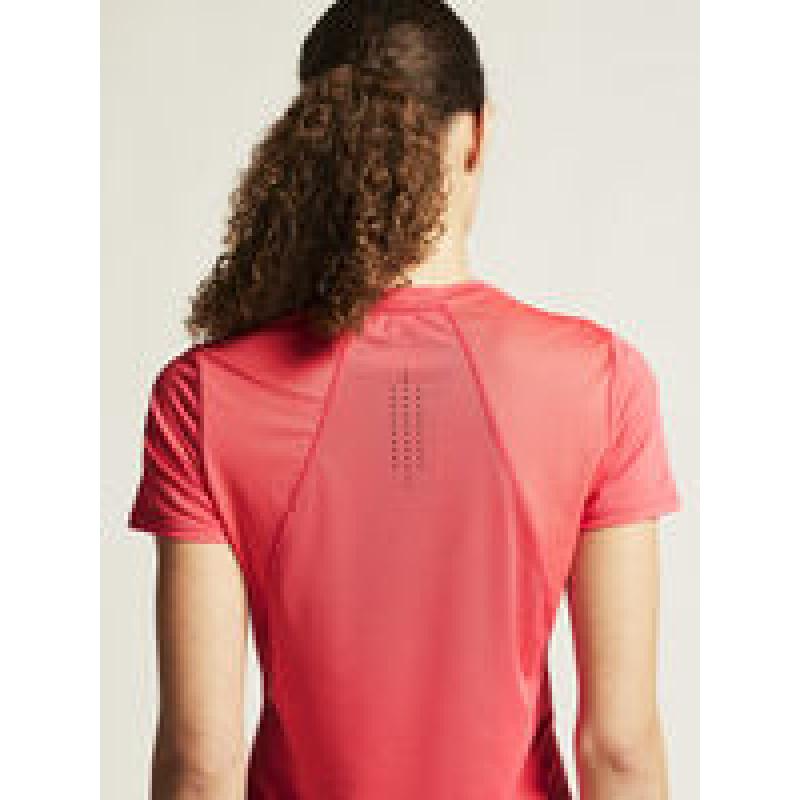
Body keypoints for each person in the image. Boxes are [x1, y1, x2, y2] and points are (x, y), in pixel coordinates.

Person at [127, 2, 682, 798]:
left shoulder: (204, 397)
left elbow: (198, 763)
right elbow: (619, 749)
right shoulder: (599, 379)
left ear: (313, 142)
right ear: (478, 136)